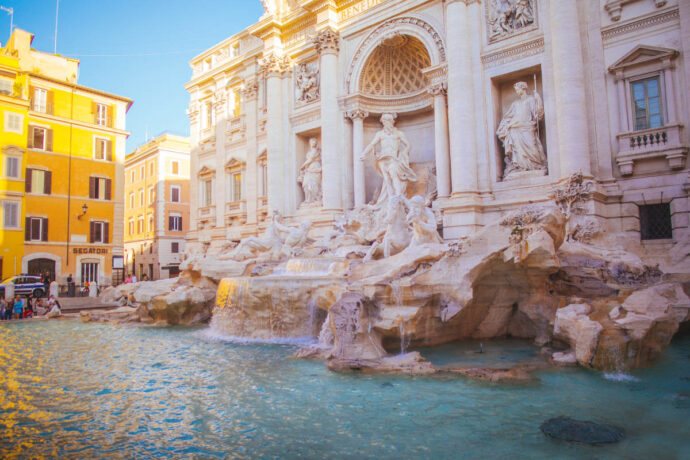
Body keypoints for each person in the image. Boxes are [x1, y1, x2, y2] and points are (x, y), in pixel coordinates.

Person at [360, 113, 417, 207]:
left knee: (394, 175)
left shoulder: (399, 133)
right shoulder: (380, 134)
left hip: (393, 158)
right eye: (384, 122)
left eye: (388, 121)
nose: (386, 124)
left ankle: (398, 196)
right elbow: (372, 144)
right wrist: (364, 153)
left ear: (392, 122)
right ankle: (391, 199)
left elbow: (408, 144)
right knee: (387, 180)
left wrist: (404, 153)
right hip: (382, 159)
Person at [497, 81, 546, 177]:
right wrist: (505, 125)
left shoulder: (531, 99)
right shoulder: (515, 103)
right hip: (515, 128)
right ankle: (521, 167)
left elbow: (536, 115)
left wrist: (538, 100)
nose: (517, 91)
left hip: (527, 127)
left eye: (518, 89)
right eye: (516, 90)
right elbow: (508, 116)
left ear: (523, 88)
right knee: (518, 150)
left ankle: (535, 165)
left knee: (532, 147)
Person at [298, 138, 323, 204]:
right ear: (309, 143)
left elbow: (310, 159)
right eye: (312, 142)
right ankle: (308, 199)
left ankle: (315, 199)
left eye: (314, 142)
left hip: (315, 167)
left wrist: (302, 166)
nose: (313, 143)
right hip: (309, 168)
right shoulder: (309, 152)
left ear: (316, 143)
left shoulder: (315, 151)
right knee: (306, 183)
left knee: (314, 184)